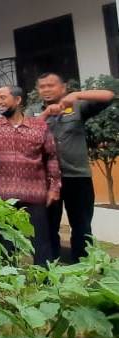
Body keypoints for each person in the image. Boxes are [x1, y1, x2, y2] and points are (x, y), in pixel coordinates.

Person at [36, 72, 112, 262]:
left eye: (51, 85)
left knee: (81, 226)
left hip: (77, 177)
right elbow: (27, 131)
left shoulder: (78, 107)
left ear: (63, 88)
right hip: (47, 179)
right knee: (48, 225)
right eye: (42, 86)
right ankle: (50, 265)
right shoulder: (33, 111)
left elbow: (109, 96)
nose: (46, 89)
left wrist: (77, 95)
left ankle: (82, 266)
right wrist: (46, 114)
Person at [0, 86, 61, 265]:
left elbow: (52, 157)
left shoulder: (39, 126)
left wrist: (54, 187)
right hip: (3, 196)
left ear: (17, 100)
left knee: (40, 241)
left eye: (3, 97)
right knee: (6, 243)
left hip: (34, 194)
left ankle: (46, 281)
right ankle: (9, 283)